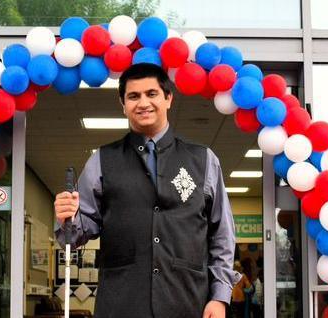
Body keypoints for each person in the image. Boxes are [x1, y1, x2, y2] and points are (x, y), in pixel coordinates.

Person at [54, 63, 237, 318]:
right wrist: (66, 217)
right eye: (133, 96)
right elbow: (74, 235)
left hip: (188, 302)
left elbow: (222, 235)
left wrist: (220, 296)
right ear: (123, 104)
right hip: (121, 303)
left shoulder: (203, 160)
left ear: (168, 98)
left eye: (151, 94)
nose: (143, 103)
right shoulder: (101, 160)